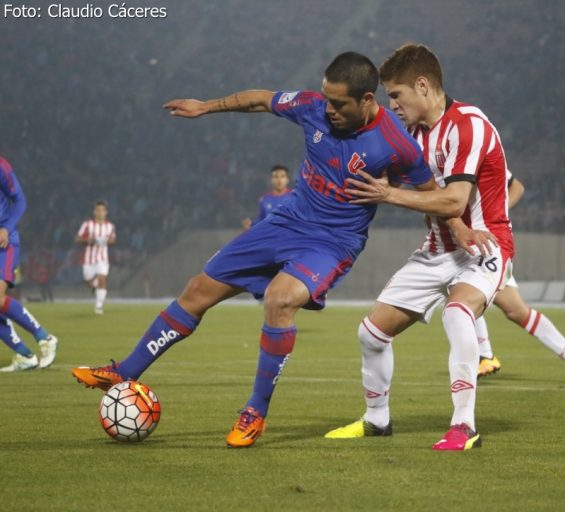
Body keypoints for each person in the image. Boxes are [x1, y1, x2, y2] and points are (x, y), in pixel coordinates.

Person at [71, 52, 434, 448]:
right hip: (285, 222)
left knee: (279, 301)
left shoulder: (398, 145)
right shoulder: (312, 107)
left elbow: (432, 195)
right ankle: (125, 371)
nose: (328, 109)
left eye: (339, 103)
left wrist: (396, 197)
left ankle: (254, 413)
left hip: (331, 241)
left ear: (367, 100)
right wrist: (206, 107)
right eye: (327, 99)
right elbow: (261, 98)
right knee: (197, 290)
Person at [326, 44, 513, 451]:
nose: (392, 103)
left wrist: (388, 194)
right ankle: (377, 421)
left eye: (396, 94)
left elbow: (453, 200)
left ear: (423, 86)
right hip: (436, 249)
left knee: (458, 312)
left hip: (484, 245)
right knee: (371, 333)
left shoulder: (468, 125)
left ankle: (464, 426)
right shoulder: (412, 135)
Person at [474, 177, 565, 385]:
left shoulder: (482, 151)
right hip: (473, 243)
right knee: (515, 311)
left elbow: (517, 187)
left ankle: (485, 356)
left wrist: (497, 211)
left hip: (488, 244)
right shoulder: (449, 153)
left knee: (464, 297)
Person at [0, 156, 58, 372]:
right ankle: (24, 355)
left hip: (4, 240)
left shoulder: (1, 166)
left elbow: (20, 200)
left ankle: (45, 338)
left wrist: (6, 228)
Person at [76, 200, 116, 314]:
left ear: (106, 212)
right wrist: (88, 240)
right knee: (89, 282)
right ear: (94, 212)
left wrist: (108, 240)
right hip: (89, 259)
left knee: (102, 279)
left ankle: (99, 306)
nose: (100, 212)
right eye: (98, 210)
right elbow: (78, 238)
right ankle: (95, 287)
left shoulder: (110, 226)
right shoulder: (88, 224)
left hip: (102, 259)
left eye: (102, 210)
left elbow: (113, 239)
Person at [241, 165, 293, 230]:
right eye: (276, 177)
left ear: (287, 180)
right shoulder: (265, 199)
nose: (279, 180)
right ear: (271, 180)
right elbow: (262, 220)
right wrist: (251, 223)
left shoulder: (294, 198)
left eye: (282, 176)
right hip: (271, 237)